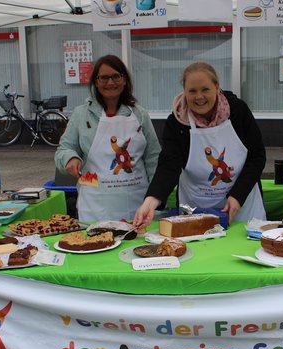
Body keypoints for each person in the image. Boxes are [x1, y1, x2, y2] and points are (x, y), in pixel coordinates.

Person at [133, 62, 266, 228]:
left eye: (205, 89)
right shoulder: (176, 123)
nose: (199, 97)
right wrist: (151, 201)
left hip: (242, 206)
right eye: (192, 91)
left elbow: (257, 156)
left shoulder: (238, 111)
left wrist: (237, 196)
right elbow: (169, 165)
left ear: (217, 87)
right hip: (195, 209)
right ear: (184, 91)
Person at [54, 55, 160, 222]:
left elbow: (153, 157)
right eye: (104, 77)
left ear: (124, 80)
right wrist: (70, 158)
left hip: (137, 206)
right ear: (96, 82)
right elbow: (63, 149)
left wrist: (157, 199)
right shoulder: (81, 114)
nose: (110, 82)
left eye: (116, 76)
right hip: (94, 207)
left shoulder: (139, 114)